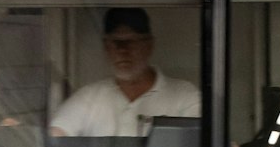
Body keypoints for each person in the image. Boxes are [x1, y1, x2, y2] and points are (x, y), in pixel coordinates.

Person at [49, 7, 200, 137]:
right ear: (106, 47)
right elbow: (56, 137)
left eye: (131, 42)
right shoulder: (89, 97)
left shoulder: (185, 96)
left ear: (149, 45)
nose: (123, 51)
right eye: (116, 43)